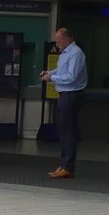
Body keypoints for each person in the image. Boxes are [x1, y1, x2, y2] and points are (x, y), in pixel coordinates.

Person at [41, 26, 89, 178]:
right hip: (64, 94)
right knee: (62, 129)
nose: (57, 44)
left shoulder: (76, 53)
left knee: (68, 131)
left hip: (72, 94)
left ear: (67, 39)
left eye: (59, 41)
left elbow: (71, 76)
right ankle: (64, 164)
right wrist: (49, 73)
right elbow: (61, 70)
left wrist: (52, 78)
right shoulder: (65, 53)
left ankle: (68, 167)